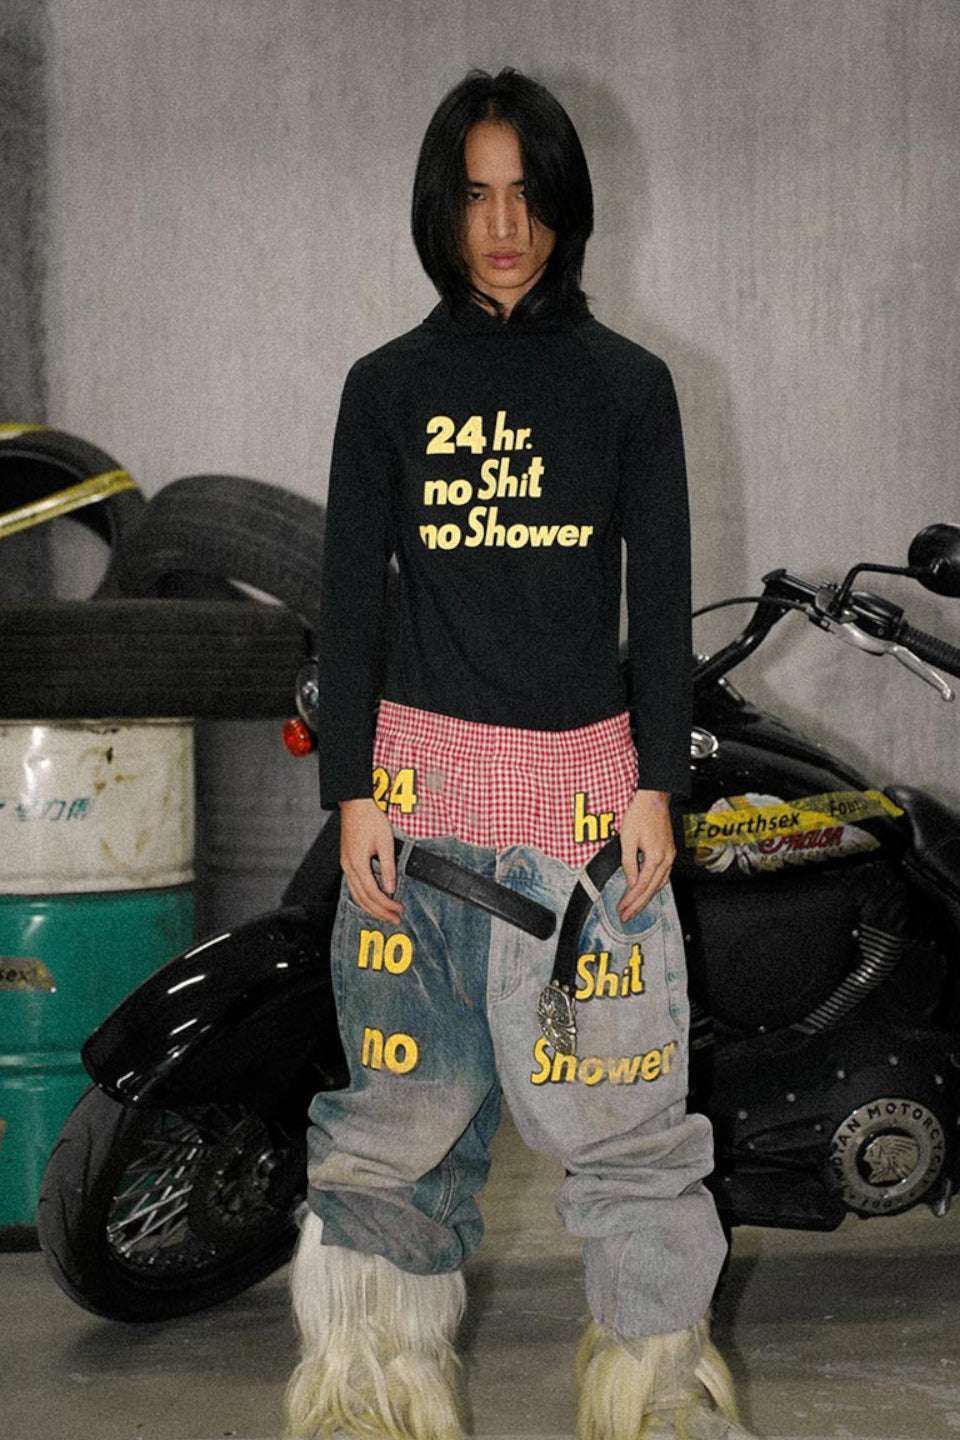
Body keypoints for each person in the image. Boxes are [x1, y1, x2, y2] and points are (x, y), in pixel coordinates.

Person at [285, 68, 756, 1440]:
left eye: (528, 195)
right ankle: (371, 1395)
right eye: (478, 196)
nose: (505, 226)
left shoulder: (630, 388)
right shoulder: (386, 389)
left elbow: (659, 601)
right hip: (419, 825)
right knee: (399, 1126)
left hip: (583, 836)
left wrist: (657, 784)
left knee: (629, 1133)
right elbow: (351, 606)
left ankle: (657, 1397)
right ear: (441, 212)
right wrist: (351, 793)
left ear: (566, 207)